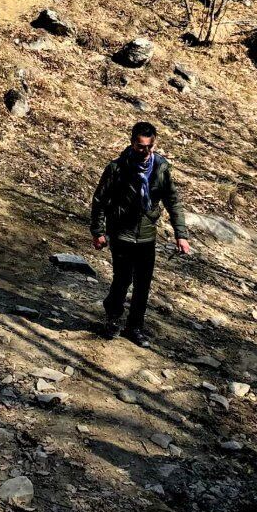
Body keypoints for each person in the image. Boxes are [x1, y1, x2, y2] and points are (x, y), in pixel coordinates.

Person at [90, 120, 190, 347]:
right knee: (122, 279)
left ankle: (135, 327)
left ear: (154, 145)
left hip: (146, 235)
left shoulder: (161, 169)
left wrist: (180, 234)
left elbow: (172, 202)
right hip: (122, 233)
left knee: (143, 283)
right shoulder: (116, 168)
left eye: (149, 147)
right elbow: (99, 201)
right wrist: (98, 231)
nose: (144, 152)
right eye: (140, 146)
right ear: (132, 143)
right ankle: (113, 317)